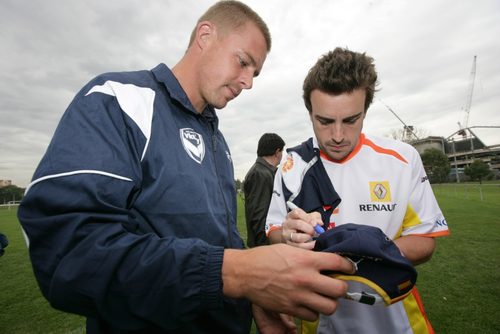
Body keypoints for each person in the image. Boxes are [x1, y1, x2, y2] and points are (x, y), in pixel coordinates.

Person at [17, 2, 356, 333]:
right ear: (205, 35)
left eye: (255, 72)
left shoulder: (217, 141)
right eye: (243, 62)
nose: (249, 82)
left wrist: (253, 295)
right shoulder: (119, 100)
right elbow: (67, 251)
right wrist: (236, 273)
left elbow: (218, 241)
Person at [266, 47, 450, 333]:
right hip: (322, 323)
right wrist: (289, 237)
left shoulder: (402, 159)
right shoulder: (293, 165)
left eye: (351, 120)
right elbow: (275, 233)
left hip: (397, 321)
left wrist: (360, 252)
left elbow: (425, 242)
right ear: (310, 112)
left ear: (366, 110)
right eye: (324, 121)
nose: (337, 136)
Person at [244, 133, 285, 248]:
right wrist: (265, 248)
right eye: (282, 151)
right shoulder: (260, 174)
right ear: (277, 152)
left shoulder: (265, 172)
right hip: (265, 246)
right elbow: (259, 215)